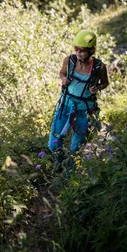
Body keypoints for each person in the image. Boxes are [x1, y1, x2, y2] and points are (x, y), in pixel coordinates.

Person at [48, 30, 109, 168]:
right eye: (76, 49)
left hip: (84, 109)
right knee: (53, 144)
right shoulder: (69, 60)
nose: (78, 53)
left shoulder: (99, 67)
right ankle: (61, 163)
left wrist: (97, 88)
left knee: (76, 148)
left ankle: (71, 177)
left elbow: (105, 83)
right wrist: (63, 79)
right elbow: (62, 72)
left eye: (82, 50)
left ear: (91, 50)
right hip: (65, 105)